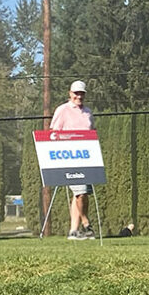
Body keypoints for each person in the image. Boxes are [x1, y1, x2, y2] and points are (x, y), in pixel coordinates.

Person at [50, 80, 97, 240]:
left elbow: (92, 132)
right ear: (70, 93)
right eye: (76, 93)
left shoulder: (88, 112)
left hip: (86, 158)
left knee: (81, 194)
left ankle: (73, 231)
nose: (79, 96)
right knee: (81, 192)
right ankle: (86, 224)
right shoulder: (62, 110)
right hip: (69, 157)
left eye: (81, 93)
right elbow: (54, 133)